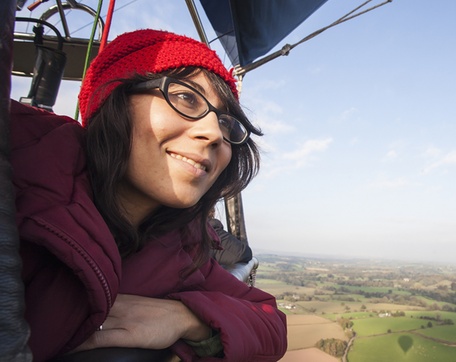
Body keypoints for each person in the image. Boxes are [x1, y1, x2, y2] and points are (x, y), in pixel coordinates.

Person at [11, 29, 287, 361]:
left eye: (227, 124)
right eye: (186, 98)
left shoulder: (179, 247)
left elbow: (270, 323)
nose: (214, 133)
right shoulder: (19, 179)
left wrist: (188, 319)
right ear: (115, 98)